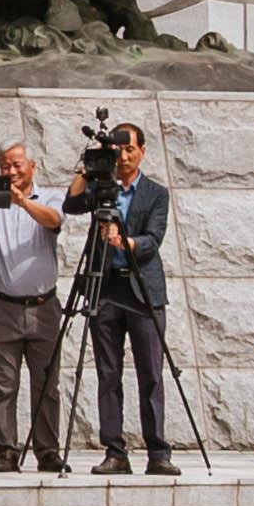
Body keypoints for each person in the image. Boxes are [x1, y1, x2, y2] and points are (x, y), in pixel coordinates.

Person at [71, 123, 179, 477]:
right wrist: (85, 170)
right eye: (118, 151)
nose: (124, 157)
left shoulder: (156, 193)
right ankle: (115, 450)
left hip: (143, 291)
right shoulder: (103, 188)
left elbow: (154, 239)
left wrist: (125, 242)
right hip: (106, 291)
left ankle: (158, 452)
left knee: (151, 374)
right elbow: (72, 205)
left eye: (130, 150)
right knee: (108, 373)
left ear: (142, 150)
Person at [0, 136, 67, 475]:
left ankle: (47, 450)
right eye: (4, 166)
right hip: (1, 307)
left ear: (32, 167)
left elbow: (54, 221)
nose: (10, 171)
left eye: (16, 165)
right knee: (3, 383)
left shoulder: (49, 196)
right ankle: (6, 450)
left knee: (46, 384)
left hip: (44, 307)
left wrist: (23, 202)